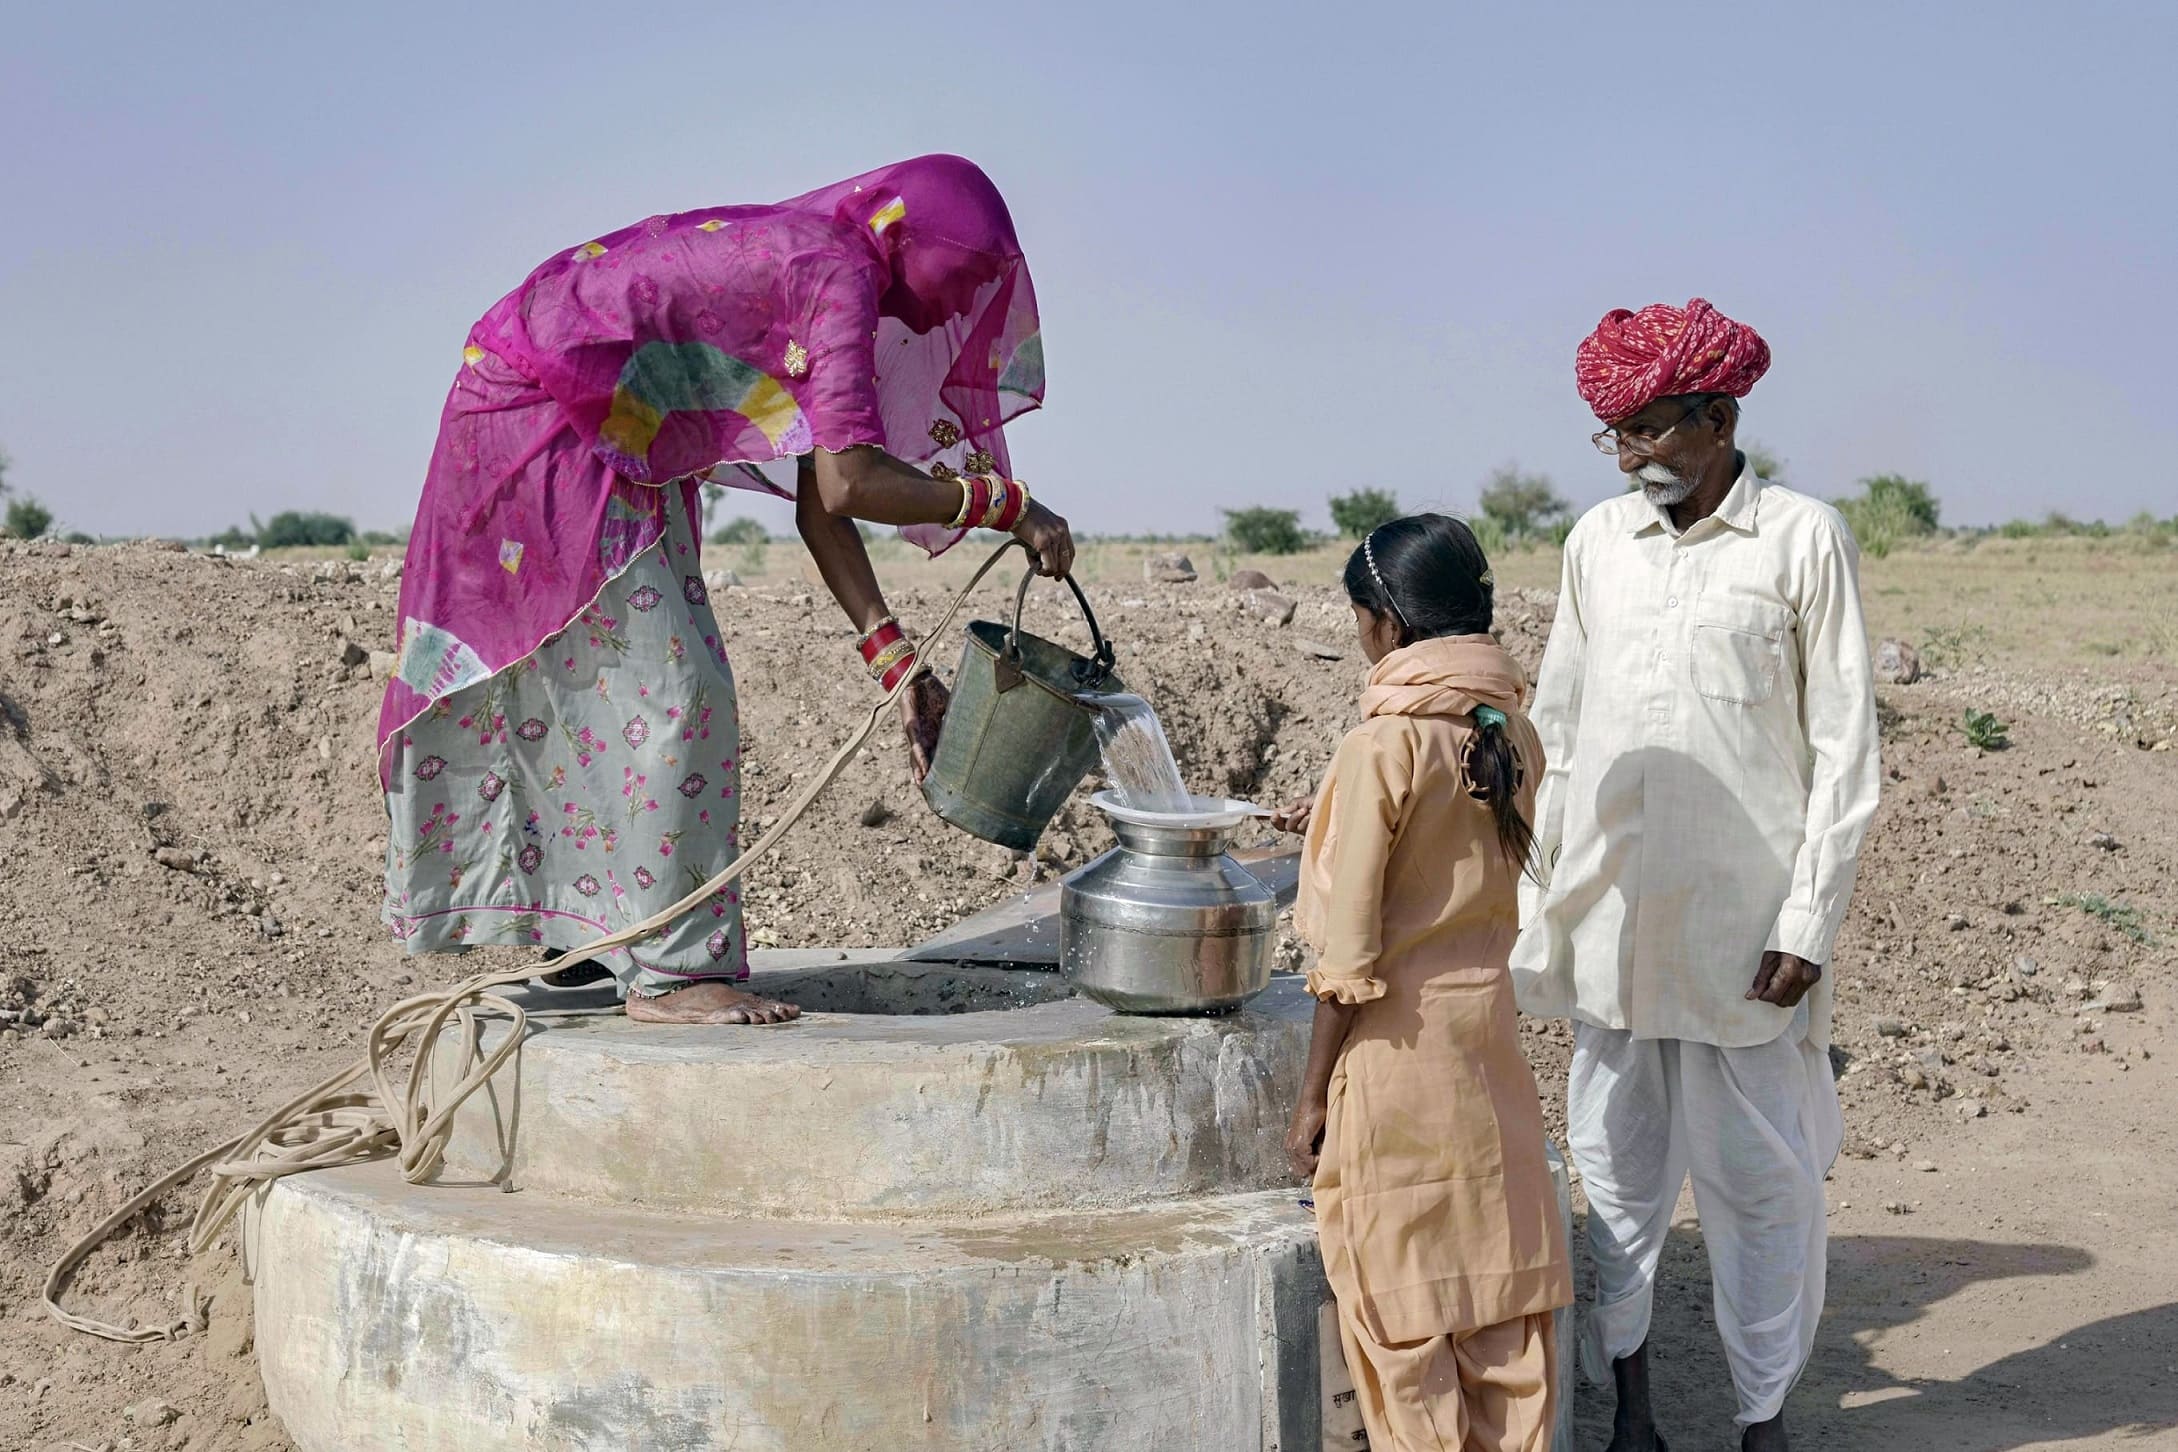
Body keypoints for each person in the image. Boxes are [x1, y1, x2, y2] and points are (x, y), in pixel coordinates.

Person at [375, 156, 1073, 1027]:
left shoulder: (834, 271)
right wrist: (1006, 506)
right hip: (544, 416)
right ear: (905, 236)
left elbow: (824, 512)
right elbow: (854, 485)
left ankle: (586, 945)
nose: (960, 304)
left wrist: (901, 675)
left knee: (606, 684)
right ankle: (669, 975)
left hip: (610, 428)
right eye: (963, 274)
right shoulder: (838, 275)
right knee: (673, 695)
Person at [1511, 299, 1881, 1451]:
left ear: (1719, 417)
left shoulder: (1803, 541)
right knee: (1616, 1187)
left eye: (1652, 430)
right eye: (1613, 436)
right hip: (1613, 929)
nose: (1631, 457)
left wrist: (1808, 921)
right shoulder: (1594, 546)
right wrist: (1541, 904)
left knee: (1760, 1193)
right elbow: (1559, 734)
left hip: (1745, 938)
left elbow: (1844, 752)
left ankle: (1761, 1422)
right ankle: (1632, 1413)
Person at [1277, 514, 1572, 1452]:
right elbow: (1453, 856)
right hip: (1487, 1067)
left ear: (1385, 624)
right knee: (1501, 1314)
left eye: (1359, 617)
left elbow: (1351, 957)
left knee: (1405, 1333)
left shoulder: (1381, 749)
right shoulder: (1509, 729)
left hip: (1396, 1074)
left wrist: (1312, 1099)